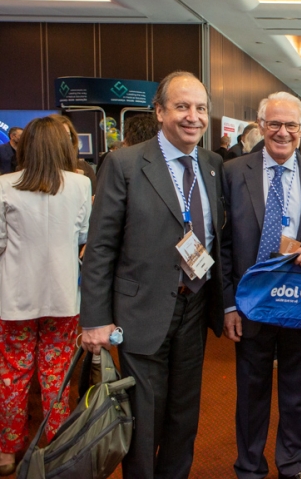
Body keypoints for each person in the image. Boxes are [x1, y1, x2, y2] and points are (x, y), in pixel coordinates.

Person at [80, 70, 225, 479]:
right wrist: (94, 318)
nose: (193, 116)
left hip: (195, 306)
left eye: (200, 108)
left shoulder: (212, 165)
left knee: (184, 412)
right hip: (141, 308)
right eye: (182, 107)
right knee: (143, 417)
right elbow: (100, 246)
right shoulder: (125, 163)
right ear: (159, 111)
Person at [222, 92, 301, 479]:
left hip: (298, 299)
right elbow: (222, 243)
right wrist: (228, 304)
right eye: (274, 124)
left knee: (296, 391)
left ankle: (292, 465)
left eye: (291, 125)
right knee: (250, 392)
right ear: (260, 126)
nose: (282, 132)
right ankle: (249, 468)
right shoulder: (233, 172)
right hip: (251, 301)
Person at [0, 118, 91, 476]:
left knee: (13, 373)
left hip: (14, 297)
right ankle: (55, 445)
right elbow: (83, 236)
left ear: (24, 147)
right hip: (63, 296)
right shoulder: (80, 184)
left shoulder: (4, 185)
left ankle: (8, 450)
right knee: (56, 373)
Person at [48, 114, 97, 193]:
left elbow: (93, 197)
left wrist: (80, 181)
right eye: (59, 135)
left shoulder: (84, 168)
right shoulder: (35, 170)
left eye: (67, 135)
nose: (64, 140)